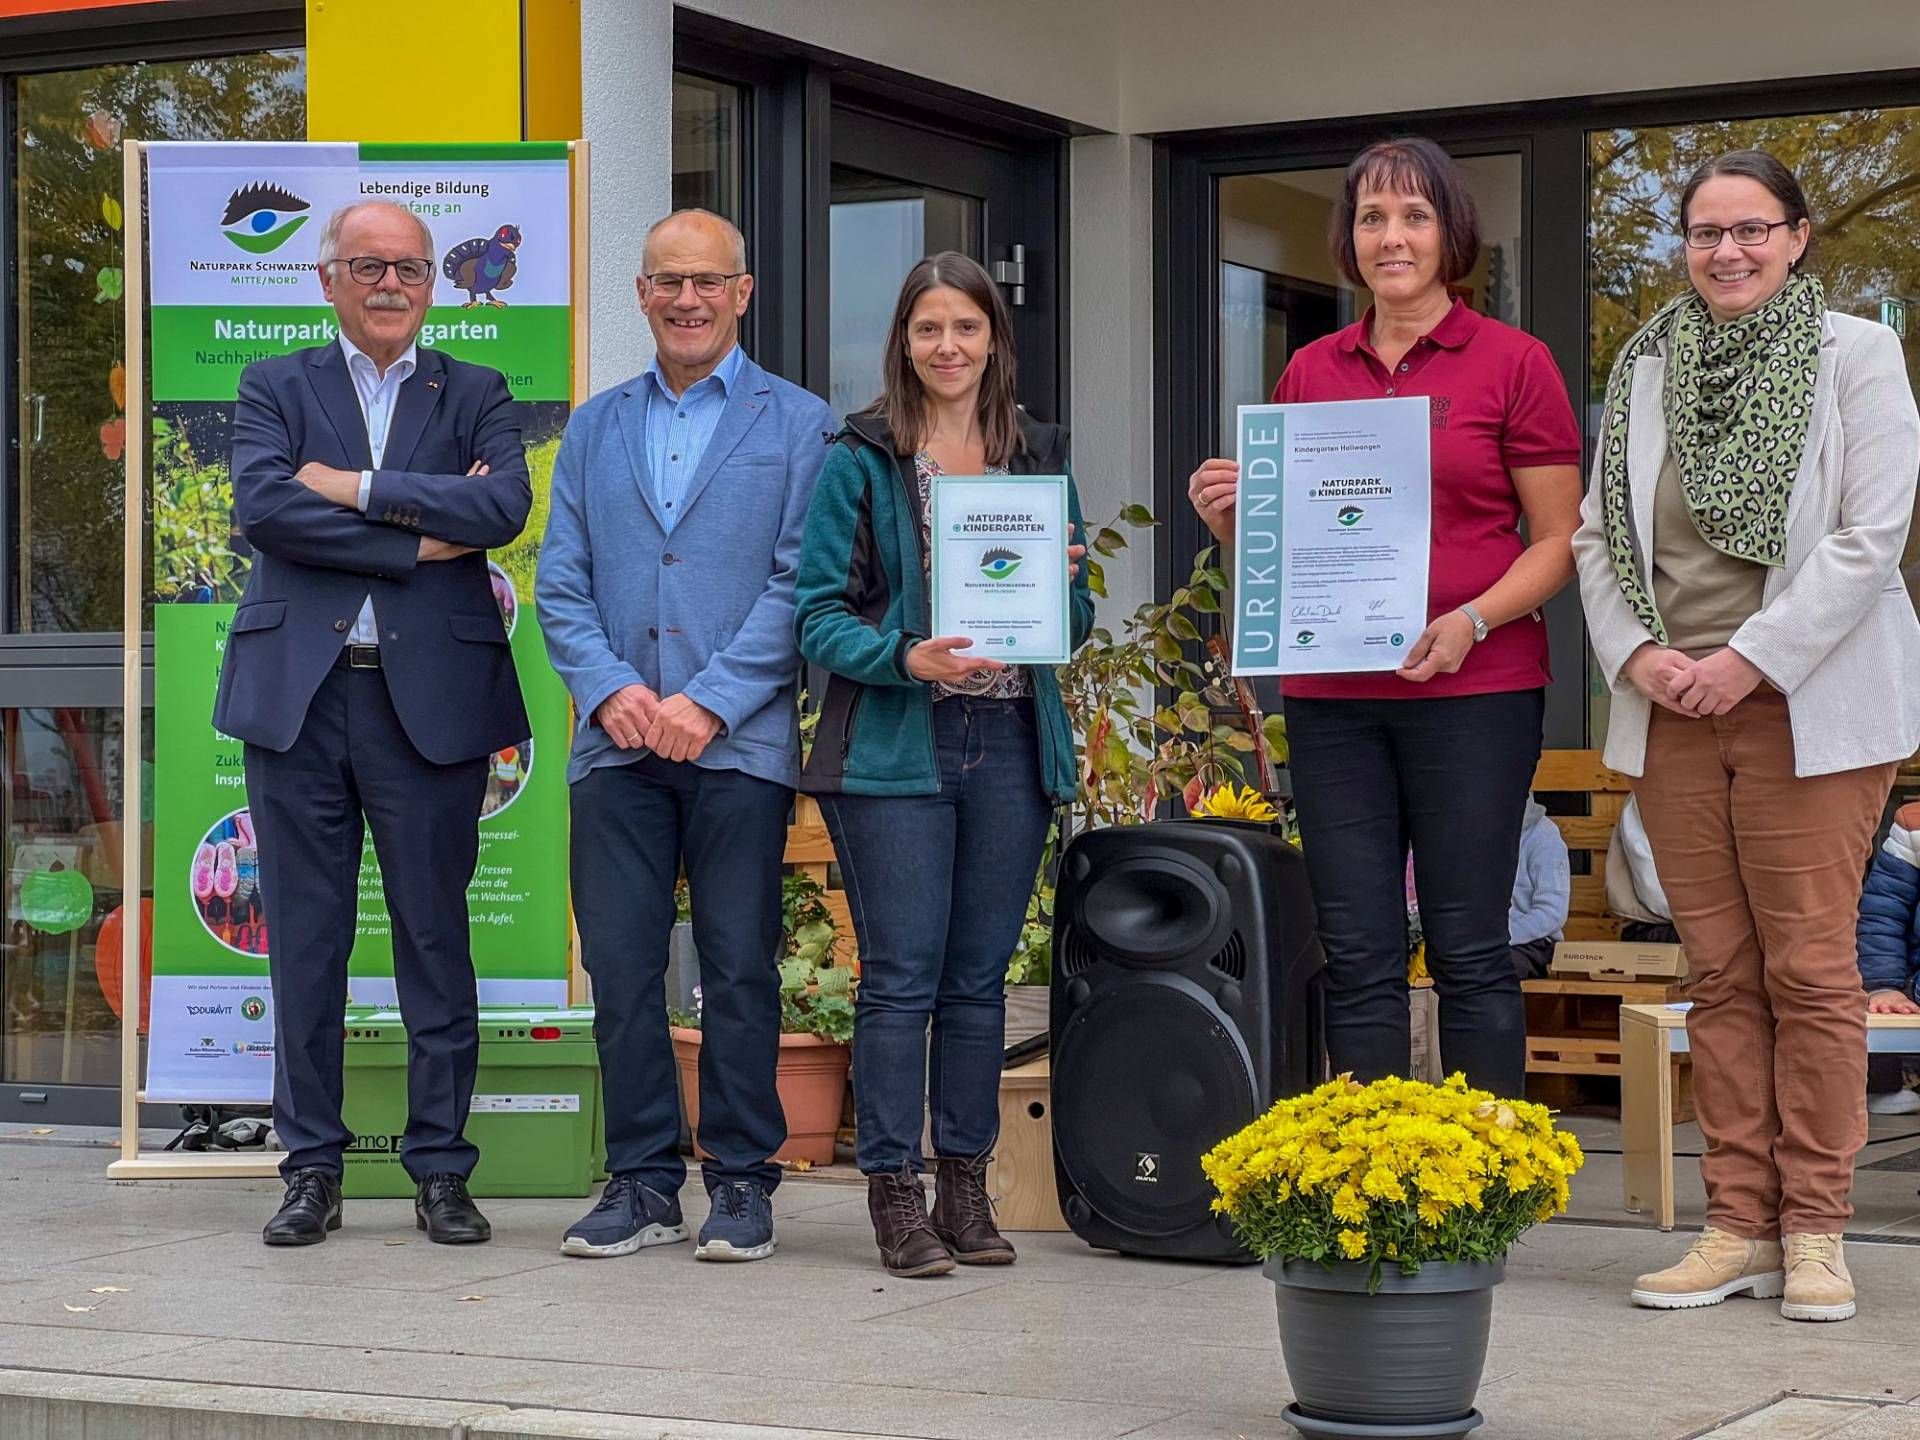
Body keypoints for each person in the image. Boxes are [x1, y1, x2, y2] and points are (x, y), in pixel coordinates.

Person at [1573, 150, 1920, 1323]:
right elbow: (1597, 538)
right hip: (1674, 706)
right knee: (1719, 975)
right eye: (1705, 232)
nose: (1727, 252)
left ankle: (1815, 1229)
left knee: (1811, 973)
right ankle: (1737, 1226)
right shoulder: (1645, 366)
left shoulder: (1856, 355)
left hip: (1808, 706)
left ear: (1798, 235)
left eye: (1751, 229)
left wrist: (1749, 660)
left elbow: (1870, 538)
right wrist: (1639, 657)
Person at [1188, 137, 1583, 1098]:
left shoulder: (1515, 363)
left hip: (1476, 693)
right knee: (1356, 947)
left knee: (1470, 946)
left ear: (1451, 233)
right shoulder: (1311, 370)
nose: (1392, 237)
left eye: (1414, 215)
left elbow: (1560, 540)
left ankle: (1487, 1173)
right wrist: (1236, 524)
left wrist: (1471, 620)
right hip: (1335, 697)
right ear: (1350, 237)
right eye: (1372, 217)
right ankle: (1368, 1171)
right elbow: (1291, 551)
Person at [216, 200, 533, 1248]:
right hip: (299, 700)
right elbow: (266, 510)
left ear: (433, 283)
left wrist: (350, 488)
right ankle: (311, 1168)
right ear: (328, 280)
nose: (390, 283)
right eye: (368, 265)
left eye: (408, 267)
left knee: (435, 938)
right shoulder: (274, 384)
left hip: (429, 701)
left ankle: (440, 1169)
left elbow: (500, 511)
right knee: (306, 943)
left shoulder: (477, 390)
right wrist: (419, 535)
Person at [536, 209, 834, 1264]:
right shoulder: (595, 426)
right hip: (615, 746)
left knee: (739, 966)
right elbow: (560, 583)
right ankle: (643, 1182)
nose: (688, 300)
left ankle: (742, 1181)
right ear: (642, 293)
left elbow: (801, 585)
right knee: (621, 970)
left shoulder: (800, 425)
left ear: (742, 292)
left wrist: (707, 701)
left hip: (736, 745)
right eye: (668, 281)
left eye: (708, 281)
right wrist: (609, 689)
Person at [794, 252, 1094, 1279]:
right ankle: (894, 1192)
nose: (949, 346)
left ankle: (966, 1189)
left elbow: (1073, 625)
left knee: (977, 983)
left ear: (995, 339)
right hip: (898, 749)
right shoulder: (861, 457)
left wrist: (1063, 588)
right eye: (930, 329)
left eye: (967, 326)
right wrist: (904, 657)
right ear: (905, 342)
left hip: (1008, 743)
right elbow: (816, 616)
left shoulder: (1037, 455)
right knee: (902, 981)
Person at [1857, 801, 1920, 1114]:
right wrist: (1882, 985)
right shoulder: (1914, 825)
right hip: (1914, 981)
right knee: (1871, 1000)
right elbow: (1883, 915)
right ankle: (1883, 1085)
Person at [1508, 800, 1569, 980]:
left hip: (1534, 942)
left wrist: (1503, 934)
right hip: (1481, 940)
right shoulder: (1473, 832)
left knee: (1492, 967)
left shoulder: (1544, 835)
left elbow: (1552, 913)